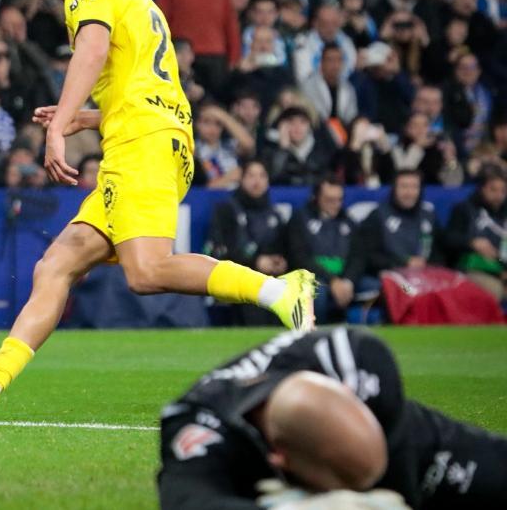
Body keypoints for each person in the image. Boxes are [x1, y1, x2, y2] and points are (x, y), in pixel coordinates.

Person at [0, 0, 316, 420]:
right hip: (150, 136)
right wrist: (90, 117)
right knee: (56, 265)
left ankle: (278, 290)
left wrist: (61, 125)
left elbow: (93, 52)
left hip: (144, 144)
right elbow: (146, 86)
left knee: (147, 271)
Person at [158, 326, 507, 509]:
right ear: (280, 457)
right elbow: (189, 500)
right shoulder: (199, 426)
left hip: (417, 444)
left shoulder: (356, 358)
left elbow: (395, 468)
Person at [204, 159, 289, 326]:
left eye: (262, 176)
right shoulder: (226, 210)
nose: (257, 181)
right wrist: (256, 262)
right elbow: (219, 251)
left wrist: (280, 262)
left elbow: (285, 248)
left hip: (271, 279)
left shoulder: (275, 214)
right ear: (241, 180)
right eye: (251, 176)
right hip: (238, 278)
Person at [345, 169, 439, 299]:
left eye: (414, 187)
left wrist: (427, 263)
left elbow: (440, 252)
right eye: (404, 186)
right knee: (407, 291)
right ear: (394, 189)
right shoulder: (378, 216)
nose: (409, 192)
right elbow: (369, 256)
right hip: (390, 279)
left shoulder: (429, 216)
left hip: (425, 277)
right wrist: (404, 262)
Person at [287, 178, 357, 323]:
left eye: (339, 200)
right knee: (317, 292)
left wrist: (348, 280)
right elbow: (299, 258)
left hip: (345, 278)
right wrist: (332, 280)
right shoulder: (300, 219)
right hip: (315, 278)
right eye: (329, 200)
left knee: (381, 286)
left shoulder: (349, 221)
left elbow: (359, 256)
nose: (335, 205)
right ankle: (317, 337)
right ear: (316, 198)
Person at [442, 166, 507, 302]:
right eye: (493, 190)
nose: (498, 195)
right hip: (472, 270)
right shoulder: (464, 209)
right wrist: (471, 242)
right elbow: (448, 240)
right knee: (495, 290)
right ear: (481, 188)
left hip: (501, 268)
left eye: (503, 191)